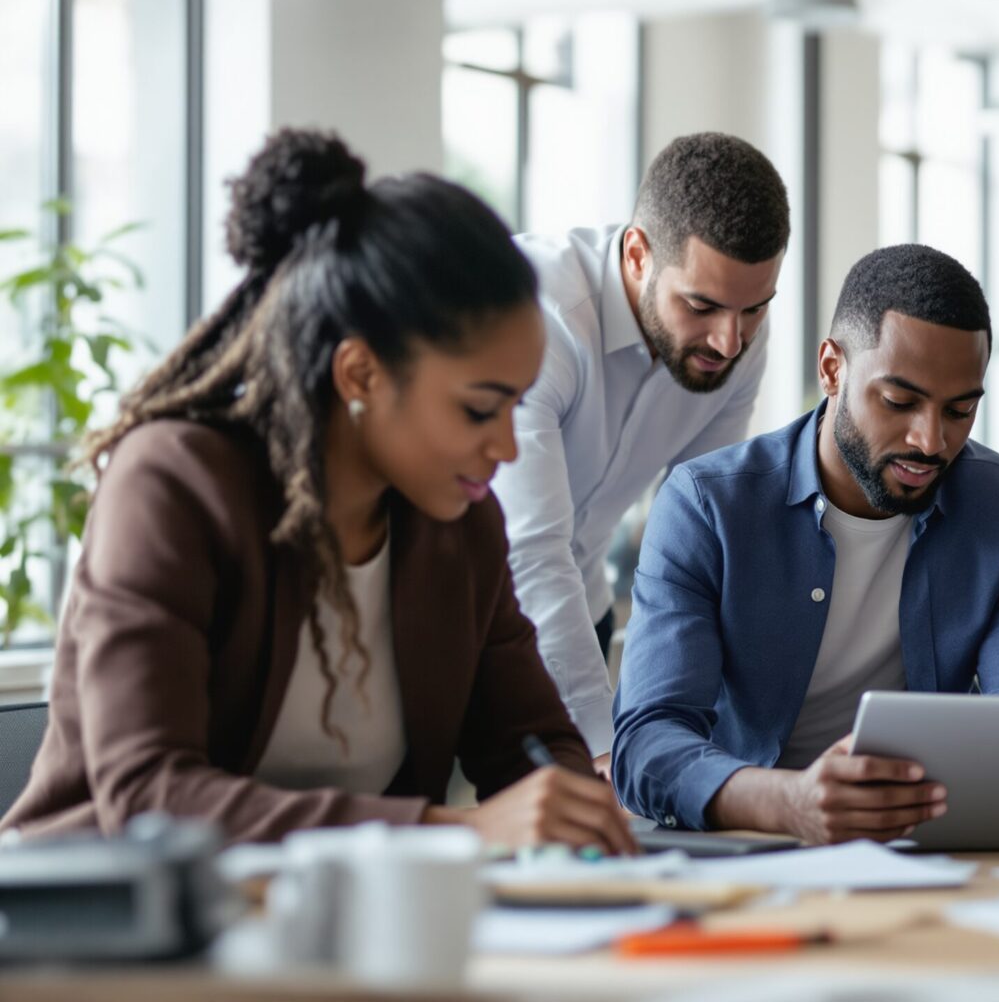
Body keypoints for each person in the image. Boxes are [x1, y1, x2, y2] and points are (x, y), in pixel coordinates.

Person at [0, 130, 636, 852]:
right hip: (93, 908)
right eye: (478, 409)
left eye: (516, 407)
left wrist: (574, 817)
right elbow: (148, 793)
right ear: (360, 373)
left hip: (326, 917)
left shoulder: (463, 525)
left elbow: (531, 745)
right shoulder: (174, 484)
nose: (507, 448)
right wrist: (446, 829)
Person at [610, 244, 999, 843]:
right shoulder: (706, 506)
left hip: (924, 847)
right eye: (900, 402)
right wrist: (788, 803)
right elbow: (646, 742)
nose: (931, 441)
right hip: (748, 844)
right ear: (832, 369)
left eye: (959, 410)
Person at [495, 132, 789, 767]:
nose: (730, 342)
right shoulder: (538, 314)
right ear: (636, 254)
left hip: (581, 609)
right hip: (467, 605)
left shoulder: (736, 342)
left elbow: (698, 527)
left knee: (584, 828)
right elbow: (531, 548)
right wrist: (608, 746)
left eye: (755, 310)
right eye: (701, 305)